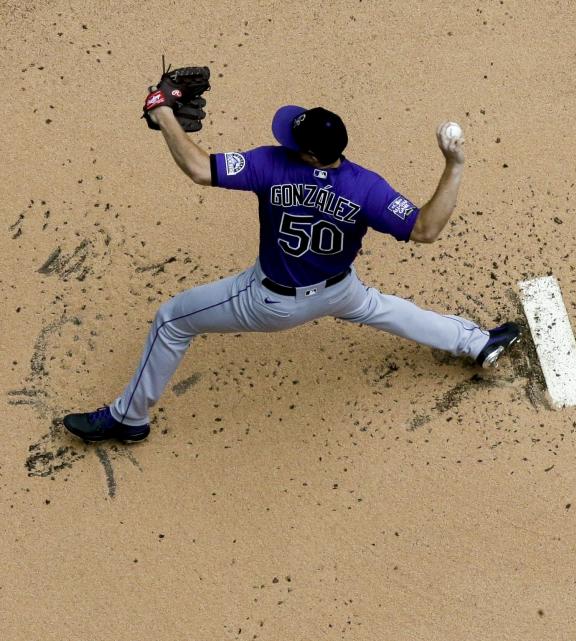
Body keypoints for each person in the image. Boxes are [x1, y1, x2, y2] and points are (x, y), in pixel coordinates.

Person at [62, 98, 520, 443]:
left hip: (270, 301)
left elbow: (200, 168)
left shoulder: (272, 164)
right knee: (383, 308)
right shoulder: (366, 187)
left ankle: (129, 417)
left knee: (171, 320)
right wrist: (453, 165)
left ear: (309, 156)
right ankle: (476, 343)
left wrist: (162, 112)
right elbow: (425, 228)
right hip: (341, 291)